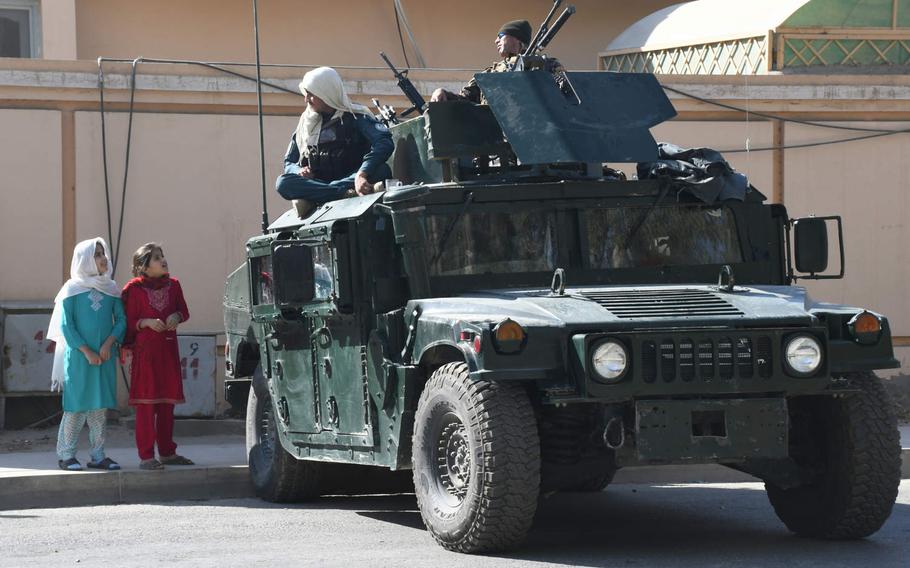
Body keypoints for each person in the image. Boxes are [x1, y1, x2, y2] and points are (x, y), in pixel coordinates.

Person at [48, 238, 125, 471]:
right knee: (76, 407)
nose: (104, 259)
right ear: (84, 259)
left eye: (103, 254)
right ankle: (66, 455)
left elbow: (121, 320)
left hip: (104, 357)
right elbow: (66, 326)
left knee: (99, 408)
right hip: (80, 358)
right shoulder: (71, 289)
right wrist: (87, 351)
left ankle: (98, 455)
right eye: (97, 254)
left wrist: (108, 344)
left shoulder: (111, 289)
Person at [275, 66, 394, 204]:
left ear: (326, 93)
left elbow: (384, 142)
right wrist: (299, 171)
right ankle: (342, 193)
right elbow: (289, 162)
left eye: (311, 94)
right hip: (321, 183)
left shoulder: (355, 116)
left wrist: (362, 173)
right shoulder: (306, 124)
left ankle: (323, 195)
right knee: (283, 182)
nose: (306, 99)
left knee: (382, 170)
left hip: (353, 178)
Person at [121, 243, 193, 470]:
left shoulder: (174, 285)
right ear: (143, 266)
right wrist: (146, 322)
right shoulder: (133, 290)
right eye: (156, 258)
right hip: (145, 355)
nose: (163, 261)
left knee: (166, 404)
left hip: (168, 351)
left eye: (163, 256)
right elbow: (128, 323)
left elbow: (185, 311)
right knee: (146, 406)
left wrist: (176, 316)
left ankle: (167, 453)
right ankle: (146, 456)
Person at [430, 19, 566, 104]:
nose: (496, 41)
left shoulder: (547, 65)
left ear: (516, 39)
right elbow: (466, 99)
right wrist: (443, 93)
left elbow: (567, 91)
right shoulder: (489, 74)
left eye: (500, 36)